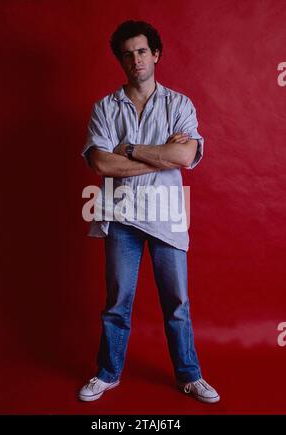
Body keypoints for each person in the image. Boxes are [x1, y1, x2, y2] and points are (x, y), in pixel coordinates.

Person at [80, 20, 220, 404]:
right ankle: (108, 374)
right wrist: (161, 156)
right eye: (127, 54)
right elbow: (100, 166)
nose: (135, 60)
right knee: (117, 302)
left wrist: (127, 149)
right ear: (121, 61)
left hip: (167, 217)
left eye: (142, 51)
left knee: (177, 302)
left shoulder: (179, 104)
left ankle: (189, 375)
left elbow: (186, 155)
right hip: (121, 217)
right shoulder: (105, 108)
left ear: (155, 54)